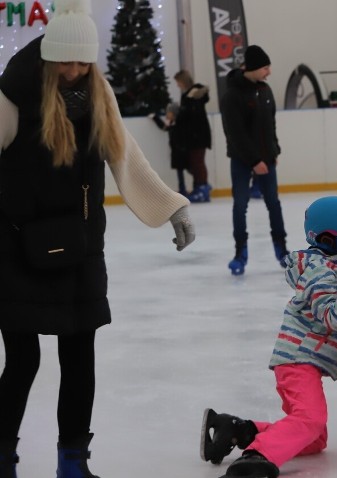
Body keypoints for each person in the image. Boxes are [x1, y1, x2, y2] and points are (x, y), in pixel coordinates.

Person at [0, 1, 196, 476]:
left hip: (80, 247)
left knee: (79, 358)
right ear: (48, 55)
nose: (73, 71)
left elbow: (125, 156)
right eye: (64, 61)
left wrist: (172, 206)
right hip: (16, 247)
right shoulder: (13, 94)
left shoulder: (98, 92)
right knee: (23, 360)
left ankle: (72, 461)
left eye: (82, 62)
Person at [200, 196, 337, 478]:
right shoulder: (319, 272)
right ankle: (256, 456)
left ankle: (239, 430)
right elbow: (332, 318)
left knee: (314, 440)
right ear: (328, 239)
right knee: (310, 420)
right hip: (298, 359)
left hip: (308, 359)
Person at [220, 44, 288, 275]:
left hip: (267, 159)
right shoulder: (232, 95)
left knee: (273, 203)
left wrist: (274, 151)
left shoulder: (265, 91)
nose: (268, 72)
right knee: (240, 206)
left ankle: (282, 250)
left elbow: (271, 124)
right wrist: (253, 161)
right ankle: (240, 253)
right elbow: (234, 133)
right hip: (242, 161)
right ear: (254, 68)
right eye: (265, 68)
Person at [173, 69, 212, 203]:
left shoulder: (195, 93)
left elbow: (202, 96)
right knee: (194, 162)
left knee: (198, 162)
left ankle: (203, 187)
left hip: (199, 135)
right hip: (192, 136)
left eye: (178, 82)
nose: (178, 85)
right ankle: (199, 186)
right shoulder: (186, 96)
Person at [150, 102, 188, 196]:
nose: (167, 115)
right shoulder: (172, 122)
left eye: (169, 112)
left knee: (188, 168)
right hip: (176, 150)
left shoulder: (180, 123)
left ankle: (193, 186)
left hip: (182, 150)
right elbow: (164, 127)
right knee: (180, 170)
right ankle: (182, 188)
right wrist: (155, 117)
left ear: (174, 113)